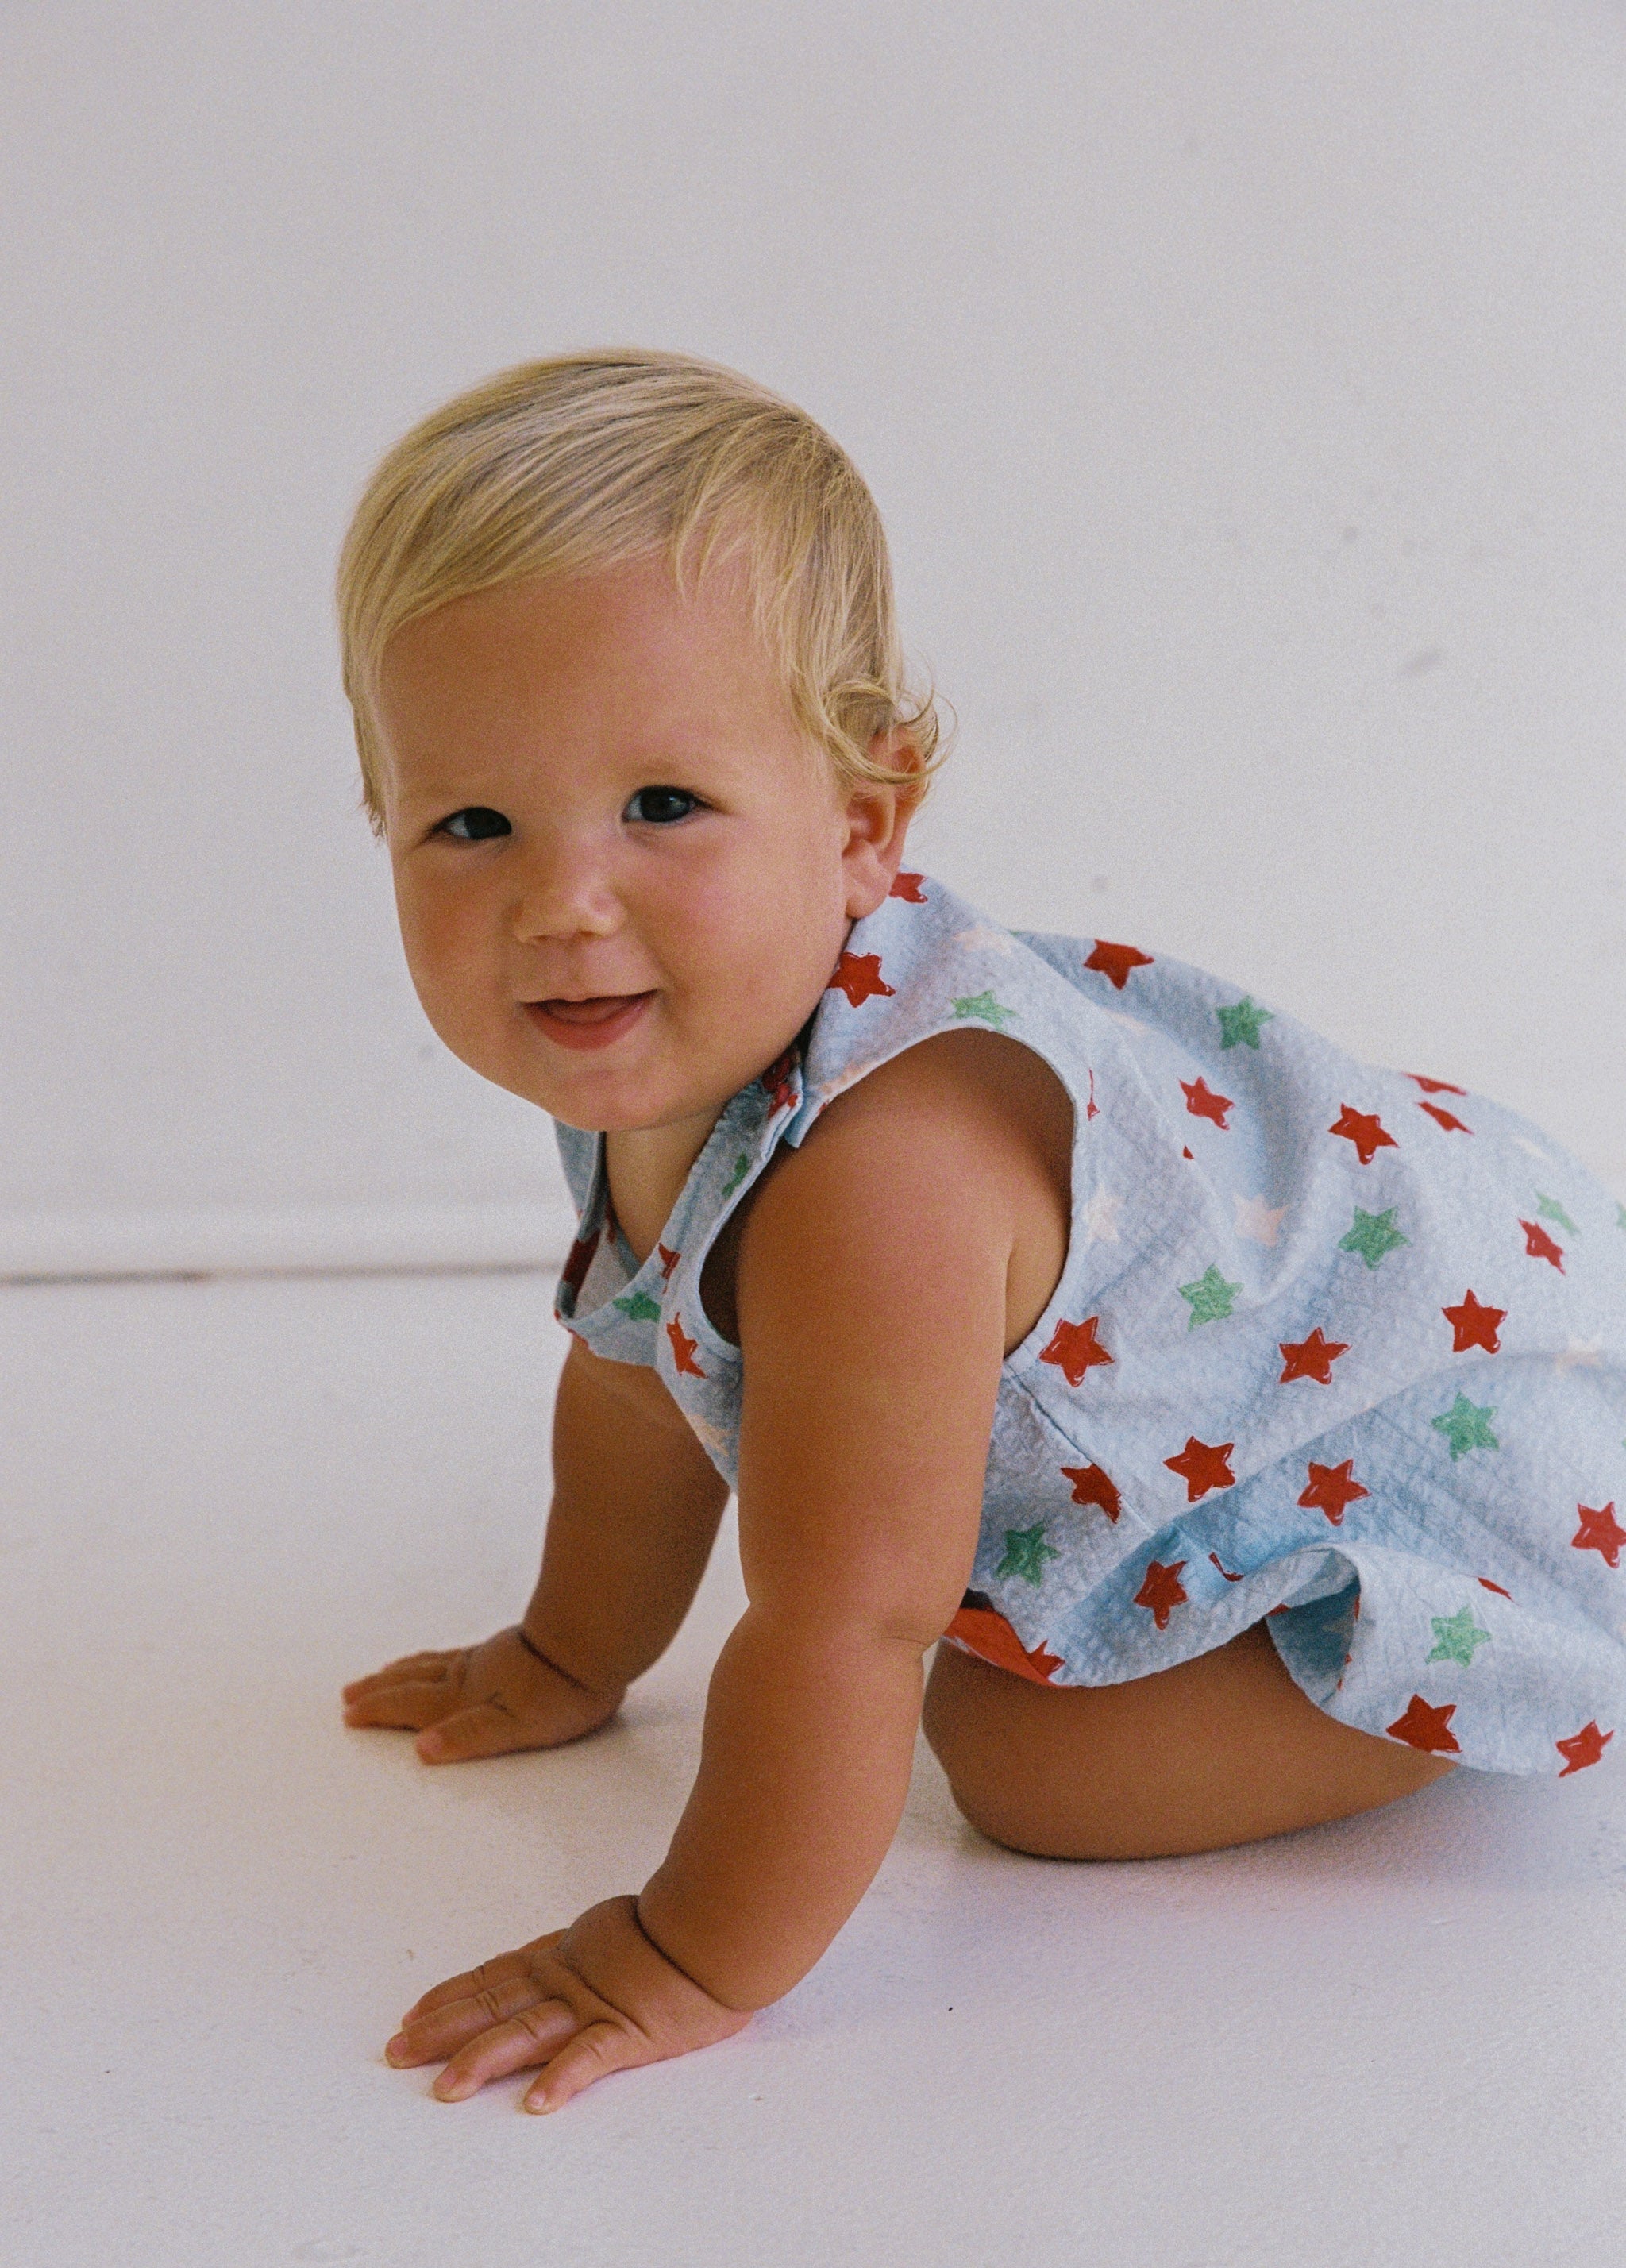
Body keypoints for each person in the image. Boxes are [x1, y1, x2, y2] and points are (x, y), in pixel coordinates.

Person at [337, 351, 1626, 2114]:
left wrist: (681, 1949)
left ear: (864, 821)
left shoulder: (882, 1178)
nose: (563, 904)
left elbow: (845, 1623)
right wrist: (573, 1654)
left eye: (662, 807)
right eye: (470, 823)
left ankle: (1463, 1661)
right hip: (1280, 1357)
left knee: (1021, 1758)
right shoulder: (659, 1057)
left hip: (1438, 1443)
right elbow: (641, 1387)